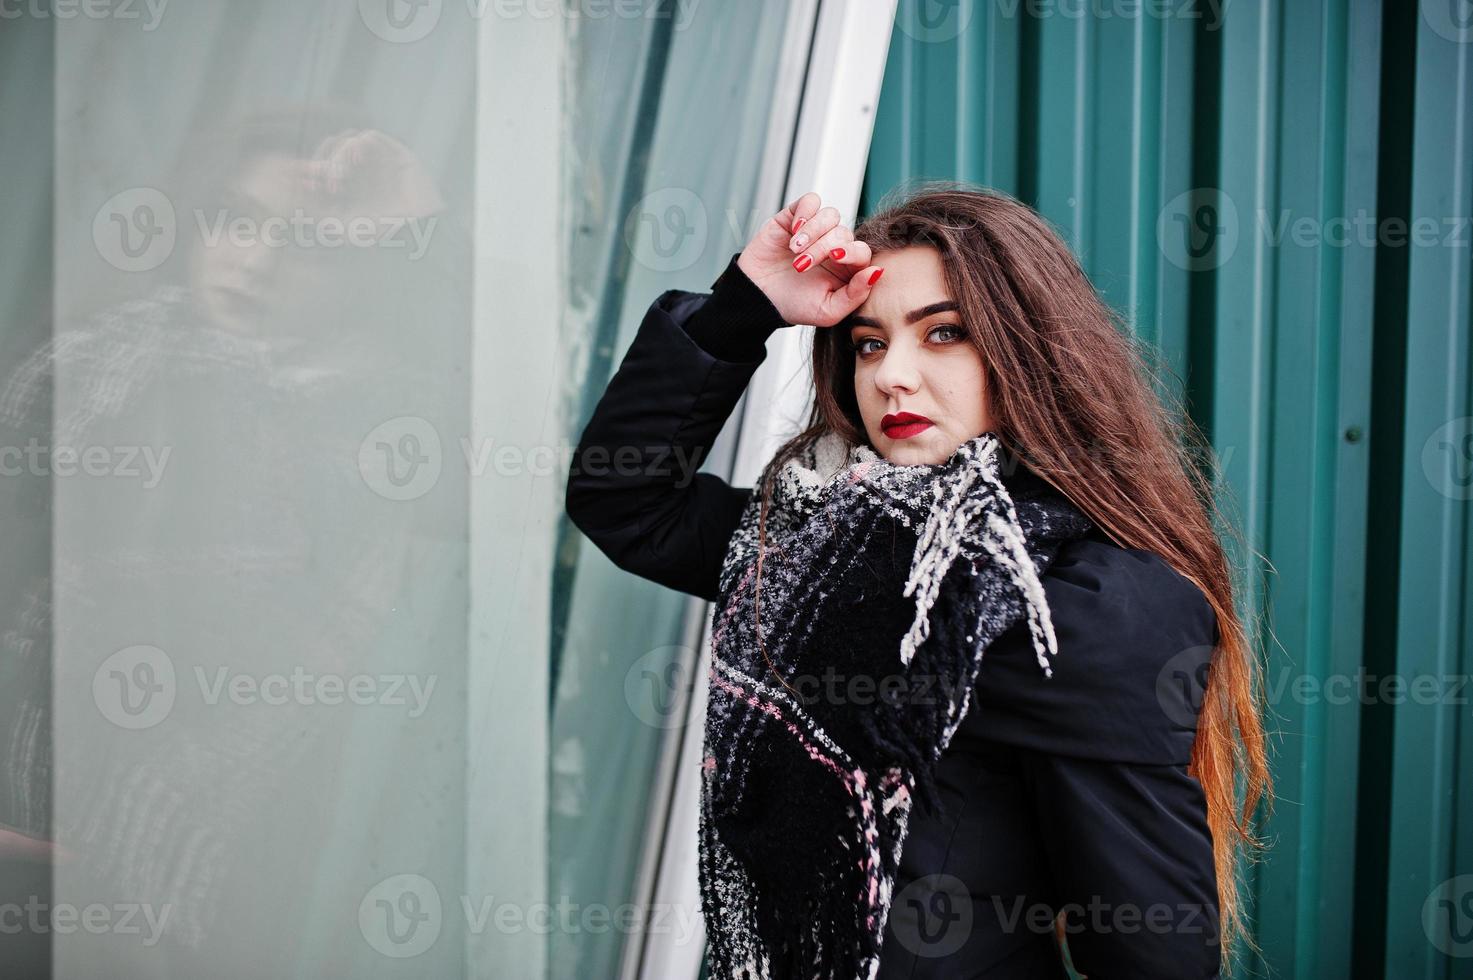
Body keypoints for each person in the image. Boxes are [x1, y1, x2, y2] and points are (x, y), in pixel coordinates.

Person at [565, 183, 1272, 979]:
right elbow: (624, 498)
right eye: (868, 343)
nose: (891, 375)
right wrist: (747, 305)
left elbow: (1150, 948)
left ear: (1027, 350)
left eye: (943, 334)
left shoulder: (1085, 599)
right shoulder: (807, 552)